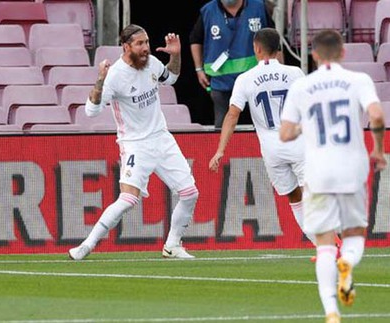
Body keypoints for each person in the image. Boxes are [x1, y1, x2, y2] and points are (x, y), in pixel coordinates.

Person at [280, 29, 386, 323]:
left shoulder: (303, 87)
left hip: (319, 172)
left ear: (313, 55)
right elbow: (377, 115)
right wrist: (378, 149)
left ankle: (330, 312)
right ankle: (348, 262)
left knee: (324, 242)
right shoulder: (359, 80)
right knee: (354, 234)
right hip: (352, 168)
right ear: (343, 52)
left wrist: (306, 126)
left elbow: (286, 133)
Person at [68, 24, 199, 260]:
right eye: (140, 44)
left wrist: (176, 55)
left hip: (161, 137)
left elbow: (171, 77)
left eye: (147, 42)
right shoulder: (116, 75)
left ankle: (173, 245)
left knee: (190, 193)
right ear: (126, 46)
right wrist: (100, 81)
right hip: (135, 143)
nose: (146, 48)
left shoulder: (151, 63)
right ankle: (86, 245)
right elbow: (91, 111)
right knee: (128, 199)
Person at [208, 27, 318, 249]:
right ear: (278, 49)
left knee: (294, 198)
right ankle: (331, 242)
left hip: (271, 149)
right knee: (313, 192)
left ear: (256, 49)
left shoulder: (245, 79)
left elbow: (232, 114)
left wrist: (220, 150)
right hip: (297, 141)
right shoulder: (295, 73)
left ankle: (321, 245)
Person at [190, 0, 275, 129]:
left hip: (255, 79)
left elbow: (274, 40)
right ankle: (221, 149)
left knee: (262, 124)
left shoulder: (258, 7)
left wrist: (277, 68)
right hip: (220, 81)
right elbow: (195, 40)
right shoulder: (208, 10)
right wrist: (198, 69)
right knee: (222, 125)